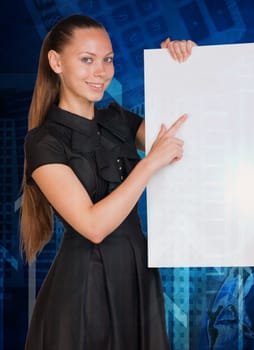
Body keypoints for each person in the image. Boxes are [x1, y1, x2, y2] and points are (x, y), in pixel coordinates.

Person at [20, 14, 195, 350]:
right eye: (87, 60)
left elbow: (184, 138)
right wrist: (149, 164)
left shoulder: (118, 119)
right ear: (56, 62)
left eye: (108, 60)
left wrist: (178, 69)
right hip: (86, 286)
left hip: (138, 277)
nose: (100, 71)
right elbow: (93, 226)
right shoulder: (43, 141)